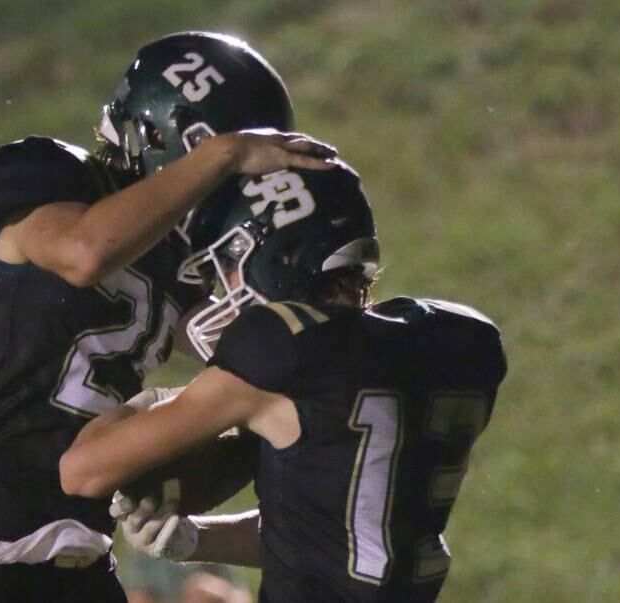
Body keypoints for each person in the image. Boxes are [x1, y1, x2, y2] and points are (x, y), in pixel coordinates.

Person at [0, 31, 335, 603]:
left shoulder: (180, 251)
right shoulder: (39, 170)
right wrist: (222, 155)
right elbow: (85, 254)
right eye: (232, 161)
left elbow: (249, 355)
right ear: (179, 137)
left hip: (83, 563)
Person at [59, 163, 508, 602]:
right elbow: (335, 531)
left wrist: (156, 402)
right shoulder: (460, 342)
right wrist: (195, 542)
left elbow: (84, 469)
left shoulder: (283, 348)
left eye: (228, 263)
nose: (224, 285)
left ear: (283, 256)